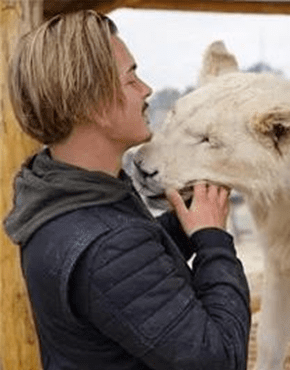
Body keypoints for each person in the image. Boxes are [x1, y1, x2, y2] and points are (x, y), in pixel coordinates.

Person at [3, 10, 250, 370]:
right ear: (95, 105)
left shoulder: (55, 193)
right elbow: (220, 358)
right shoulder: (108, 248)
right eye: (131, 78)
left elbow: (124, 270)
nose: (146, 89)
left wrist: (184, 225)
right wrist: (213, 240)